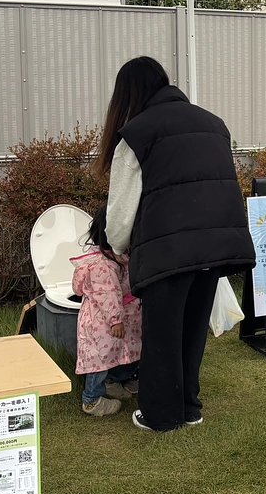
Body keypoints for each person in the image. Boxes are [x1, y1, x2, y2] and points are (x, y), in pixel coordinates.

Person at [94, 56, 256, 432]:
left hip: (166, 248)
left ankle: (161, 415)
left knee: (162, 335)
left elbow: (121, 208)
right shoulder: (213, 124)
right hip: (214, 245)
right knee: (192, 329)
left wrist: (118, 245)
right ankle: (189, 407)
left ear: (128, 93)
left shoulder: (136, 133)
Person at [71, 205, 141, 417]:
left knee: (117, 353)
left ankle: (112, 382)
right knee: (99, 360)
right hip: (103, 321)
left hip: (115, 317)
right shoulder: (103, 264)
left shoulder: (116, 257)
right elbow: (108, 294)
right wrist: (115, 320)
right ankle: (91, 400)